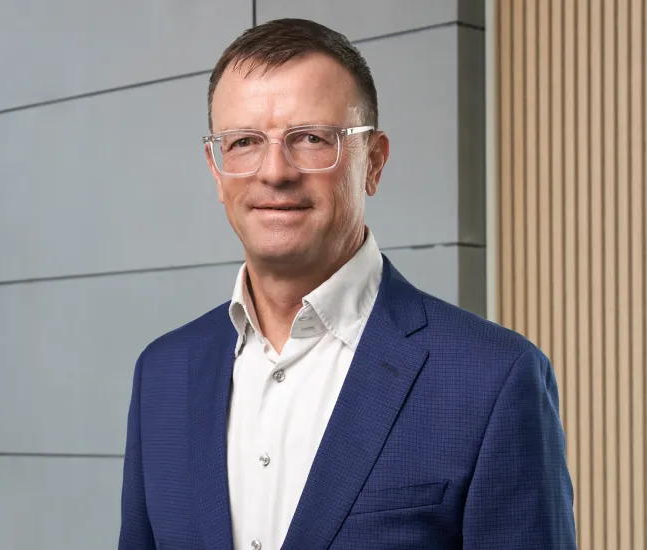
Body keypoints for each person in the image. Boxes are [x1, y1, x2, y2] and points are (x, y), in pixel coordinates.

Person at [118, 18, 575, 550]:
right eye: (243, 142)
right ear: (217, 171)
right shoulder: (163, 373)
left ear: (373, 163)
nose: (274, 172)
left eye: (311, 138)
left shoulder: (494, 378)